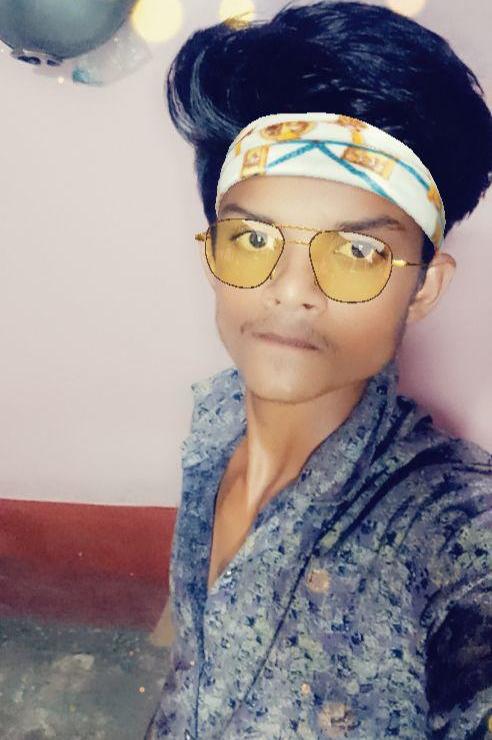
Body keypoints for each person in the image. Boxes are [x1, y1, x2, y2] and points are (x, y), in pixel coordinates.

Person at [145, 2, 492, 737]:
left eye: (358, 251)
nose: (291, 290)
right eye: (252, 239)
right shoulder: (214, 423)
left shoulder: (445, 534)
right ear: (212, 253)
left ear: (423, 288)